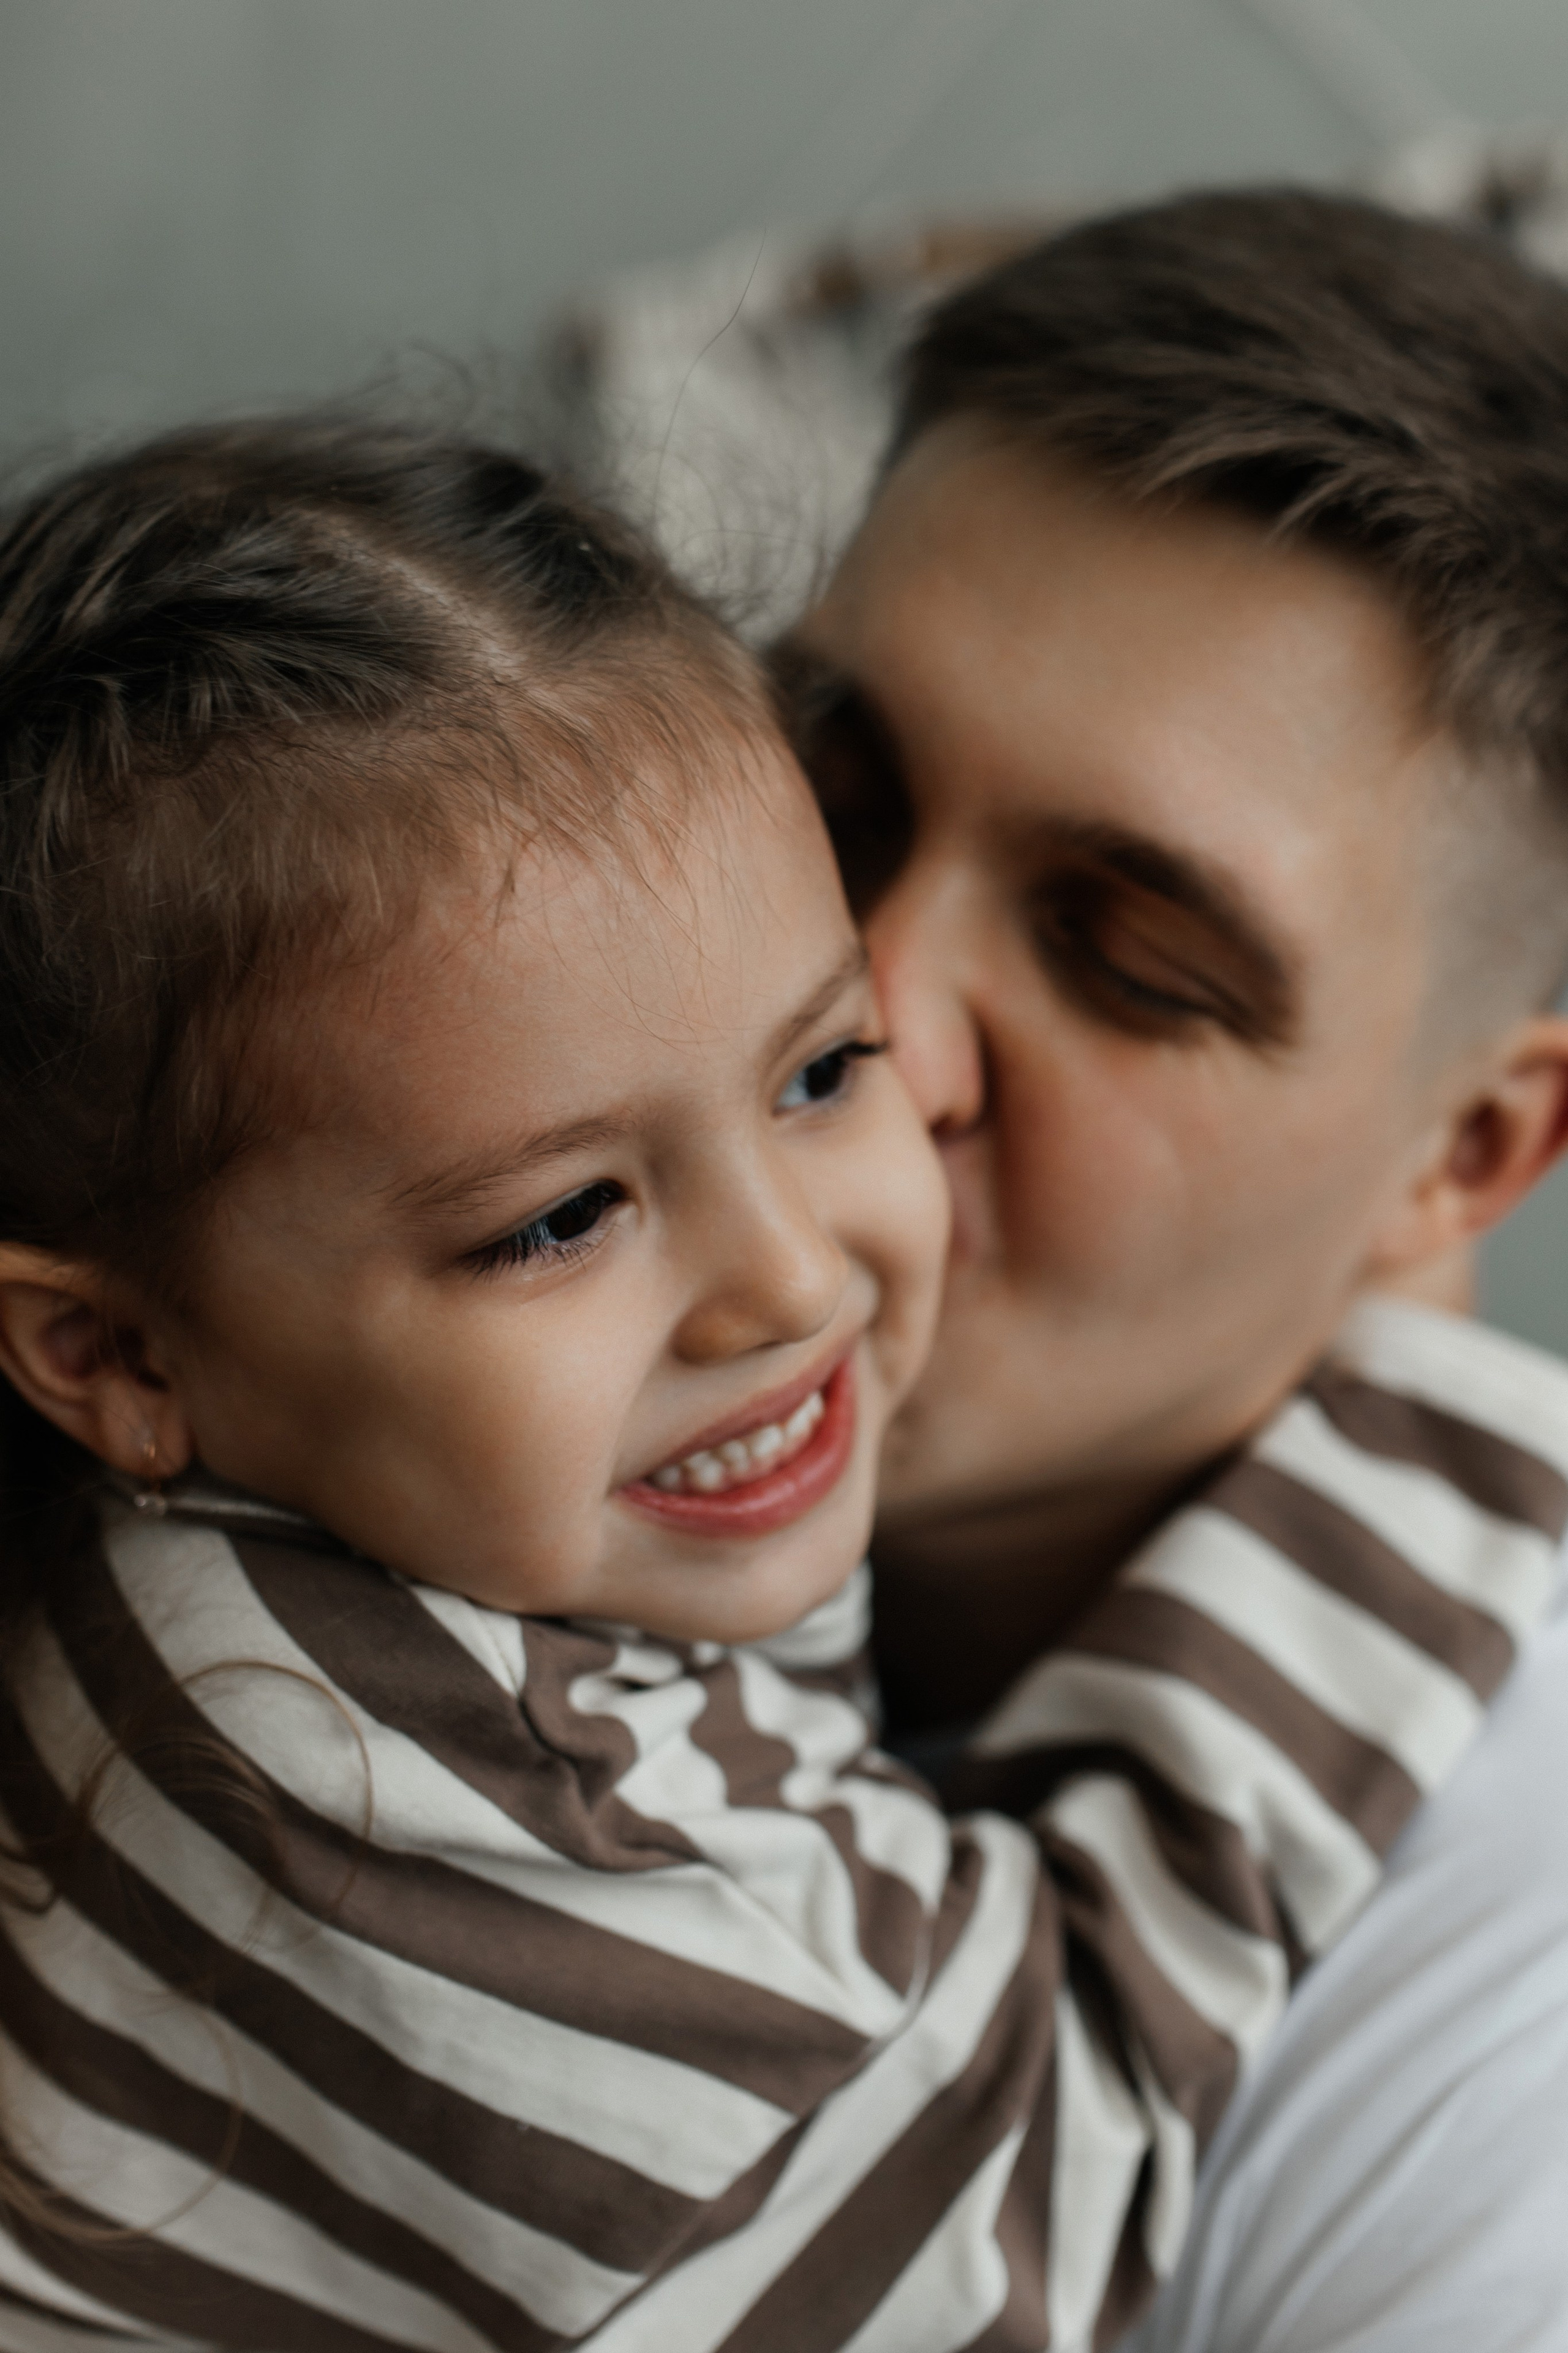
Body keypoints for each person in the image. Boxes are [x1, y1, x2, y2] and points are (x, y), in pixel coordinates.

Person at [0, 420, 1558, 2353]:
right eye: (563, 1217)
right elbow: (1002, 2228)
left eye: (822, 1072)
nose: (797, 1274)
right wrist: (1420, 1389)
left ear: (1474, 1139)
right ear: (112, 1354)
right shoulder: (334, 1765)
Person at [777, 188, 1568, 2344]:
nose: (861, 1021)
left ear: (1462, 1155)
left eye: (1131, 961)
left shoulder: (1506, 2078)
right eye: (833, 800)